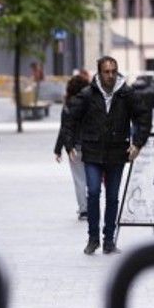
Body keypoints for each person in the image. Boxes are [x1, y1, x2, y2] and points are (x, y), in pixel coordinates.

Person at [59, 56, 151, 255]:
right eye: (106, 72)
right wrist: (69, 144)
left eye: (113, 71)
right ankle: (93, 238)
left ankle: (109, 240)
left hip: (117, 152)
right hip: (92, 151)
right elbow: (70, 118)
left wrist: (137, 143)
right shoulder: (88, 94)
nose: (110, 75)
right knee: (93, 192)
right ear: (99, 73)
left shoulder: (126, 93)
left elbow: (143, 116)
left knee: (112, 197)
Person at [53, 73, 92, 220]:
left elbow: (64, 128)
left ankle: (84, 210)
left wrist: (59, 149)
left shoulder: (68, 105)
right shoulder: (91, 103)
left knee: (79, 179)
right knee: (92, 178)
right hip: (91, 145)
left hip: (75, 147)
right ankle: (92, 206)